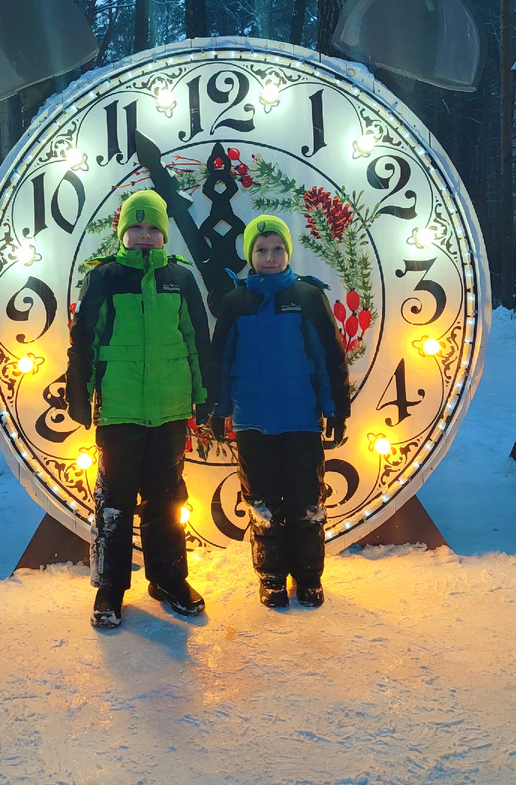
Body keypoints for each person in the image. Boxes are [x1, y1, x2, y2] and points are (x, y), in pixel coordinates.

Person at [66, 189, 213, 629]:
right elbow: (84, 340)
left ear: (164, 233)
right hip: (120, 412)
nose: (145, 236)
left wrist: (204, 396)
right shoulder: (105, 278)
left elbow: (196, 341)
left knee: (167, 500)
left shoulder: (181, 279)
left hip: (168, 413)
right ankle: (110, 588)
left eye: (153, 228)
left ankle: (168, 579)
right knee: (115, 503)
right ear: (122, 232)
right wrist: (80, 393)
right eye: (136, 227)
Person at [206, 214, 350, 608]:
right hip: (252, 422)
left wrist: (335, 408)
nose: (269, 256)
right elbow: (223, 361)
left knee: (306, 501)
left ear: (288, 253)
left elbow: (328, 358)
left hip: (300, 420)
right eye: (261, 250)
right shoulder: (235, 303)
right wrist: (218, 409)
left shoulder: (307, 297)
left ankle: (308, 577)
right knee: (263, 504)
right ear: (250, 255)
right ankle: (270, 576)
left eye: (277, 249)